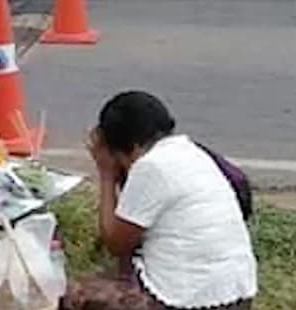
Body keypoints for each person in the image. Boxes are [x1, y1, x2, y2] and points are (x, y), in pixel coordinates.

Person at [62, 91, 258, 310]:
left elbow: (116, 244)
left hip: (193, 301)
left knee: (72, 295)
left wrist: (106, 175)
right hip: (239, 293)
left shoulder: (150, 167)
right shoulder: (192, 151)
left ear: (128, 147)